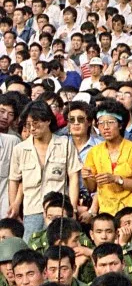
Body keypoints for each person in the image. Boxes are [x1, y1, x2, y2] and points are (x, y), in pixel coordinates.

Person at [9, 101, 82, 240]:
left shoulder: (65, 143)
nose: (32, 128)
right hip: (32, 210)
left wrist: (72, 206)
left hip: (59, 209)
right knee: (31, 249)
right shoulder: (20, 149)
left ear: (48, 120)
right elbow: (14, 179)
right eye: (28, 124)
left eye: (35, 123)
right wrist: (15, 207)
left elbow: (73, 177)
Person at [82, 101, 132, 217]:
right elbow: (92, 188)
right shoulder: (94, 152)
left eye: (110, 122)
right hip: (105, 212)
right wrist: (87, 178)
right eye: (101, 123)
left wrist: (117, 179)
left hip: (130, 212)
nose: (105, 127)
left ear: (120, 125)